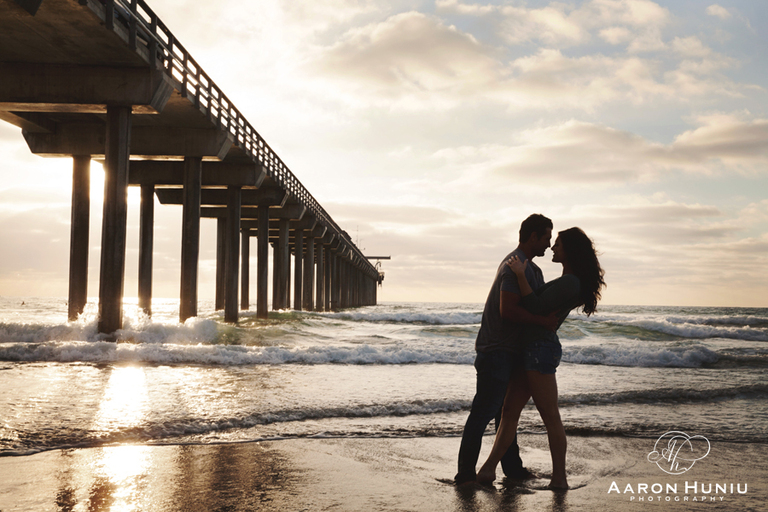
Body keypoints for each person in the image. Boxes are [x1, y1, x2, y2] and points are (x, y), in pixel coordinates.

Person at [476, 227, 605, 489]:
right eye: (552, 242)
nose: (553, 248)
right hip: (531, 349)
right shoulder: (567, 280)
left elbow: (534, 306)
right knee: (509, 412)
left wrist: (522, 276)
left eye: (557, 244)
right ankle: (488, 470)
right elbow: (536, 306)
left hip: (540, 350)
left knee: (549, 415)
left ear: (570, 250)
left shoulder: (570, 282)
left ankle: (560, 478)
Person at [454, 214, 559, 485]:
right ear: (533, 237)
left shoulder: (531, 269)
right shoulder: (514, 265)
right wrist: (543, 322)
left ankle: (512, 469)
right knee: (485, 410)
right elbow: (508, 310)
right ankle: (465, 474)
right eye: (546, 237)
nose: (549, 243)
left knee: (507, 414)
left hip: (510, 351)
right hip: (496, 350)